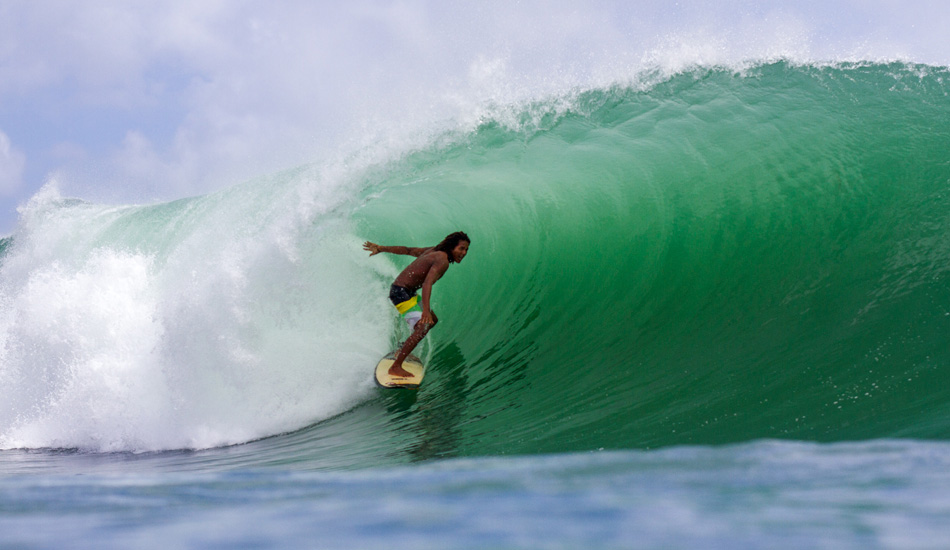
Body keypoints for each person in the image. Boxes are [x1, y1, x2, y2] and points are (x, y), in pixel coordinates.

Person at [363, 231, 470, 378]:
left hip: (407, 291)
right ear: (452, 247)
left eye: (466, 250)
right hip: (401, 293)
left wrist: (381, 248)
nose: (464, 253)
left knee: (433, 321)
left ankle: (402, 351)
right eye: (461, 248)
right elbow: (427, 283)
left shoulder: (433, 251)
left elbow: (408, 250)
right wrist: (425, 310)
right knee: (423, 326)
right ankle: (395, 367)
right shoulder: (442, 259)